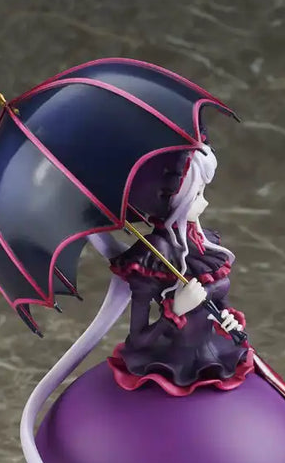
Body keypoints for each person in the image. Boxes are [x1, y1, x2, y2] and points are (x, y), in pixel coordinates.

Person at [108, 145, 255, 395]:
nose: (205, 202)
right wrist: (176, 310)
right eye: (197, 195)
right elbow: (138, 340)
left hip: (216, 354)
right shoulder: (155, 254)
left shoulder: (205, 243)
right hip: (171, 360)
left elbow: (220, 302)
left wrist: (227, 319)